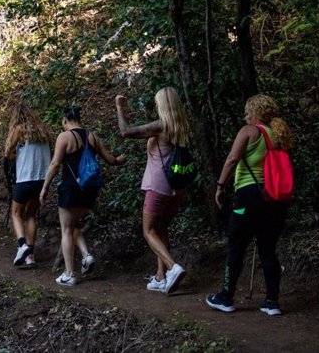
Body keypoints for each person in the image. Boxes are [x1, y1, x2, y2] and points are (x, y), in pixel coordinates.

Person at [206, 94, 293, 316]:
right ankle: (272, 302)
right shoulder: (279, 135)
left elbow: (232, 160)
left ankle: (226, 297)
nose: (245, 116)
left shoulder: (248, 132)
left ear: (257, 112)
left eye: (247, 111)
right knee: (267, 250)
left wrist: (220, 186)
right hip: (275, 199)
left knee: (236, 246)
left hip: (248, 196)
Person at [115, 87, 191, 294]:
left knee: (148, 231)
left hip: (158, 186)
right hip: (176, 188)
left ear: (162, 105)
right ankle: (160, 277)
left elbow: (126, 132)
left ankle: (173, 267)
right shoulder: (182, 125)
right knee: (161, 230)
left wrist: (120, 108)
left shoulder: (162, 126)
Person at [40, 107, 125, 286]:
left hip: (71, 188)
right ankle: (86, 256)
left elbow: (55, 164)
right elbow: (110, 160)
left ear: (65, 120)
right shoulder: (92, 136)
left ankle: (69, 273)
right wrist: (119, 160)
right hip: (89, 189)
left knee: (66, 230)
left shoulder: (64, 137)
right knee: (73, 225)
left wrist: (45, 188)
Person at [4, 103, 51, 268]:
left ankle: (22, 245)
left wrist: (14, 155)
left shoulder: (19, 130)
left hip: (25, 178)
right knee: (31, 214)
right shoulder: (43, 131)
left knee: (16, 213)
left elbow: (8, 151)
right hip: (42, 180)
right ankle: (30, 256)